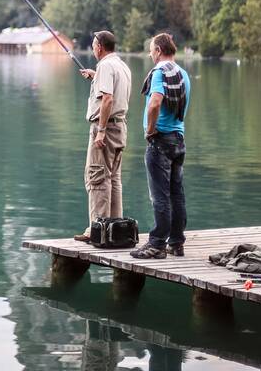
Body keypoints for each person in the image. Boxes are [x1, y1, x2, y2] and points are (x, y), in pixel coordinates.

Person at [130, 32, 191, 260]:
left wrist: (150, 129)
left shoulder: (159, 72)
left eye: (151, 49)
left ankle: (156, 244)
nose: (149, 53)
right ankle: (176, 243)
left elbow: (155, 102)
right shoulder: (183, 74)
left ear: (158, 51)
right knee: (177, 194)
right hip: (178, 140)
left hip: (161, 141)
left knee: (160, 196)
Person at [73, 30, 132, 243]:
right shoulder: (121, 66)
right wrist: (95, 76)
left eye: (93, 44)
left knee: (97, 177)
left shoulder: (105, 66)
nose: (92, 47)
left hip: (105, 128)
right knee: (113, 178)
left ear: (99, 47)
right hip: (120, 127)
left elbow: (107, 99)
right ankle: (115, 229)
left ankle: (96, 230)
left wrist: (101, 130)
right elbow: (115, 92)